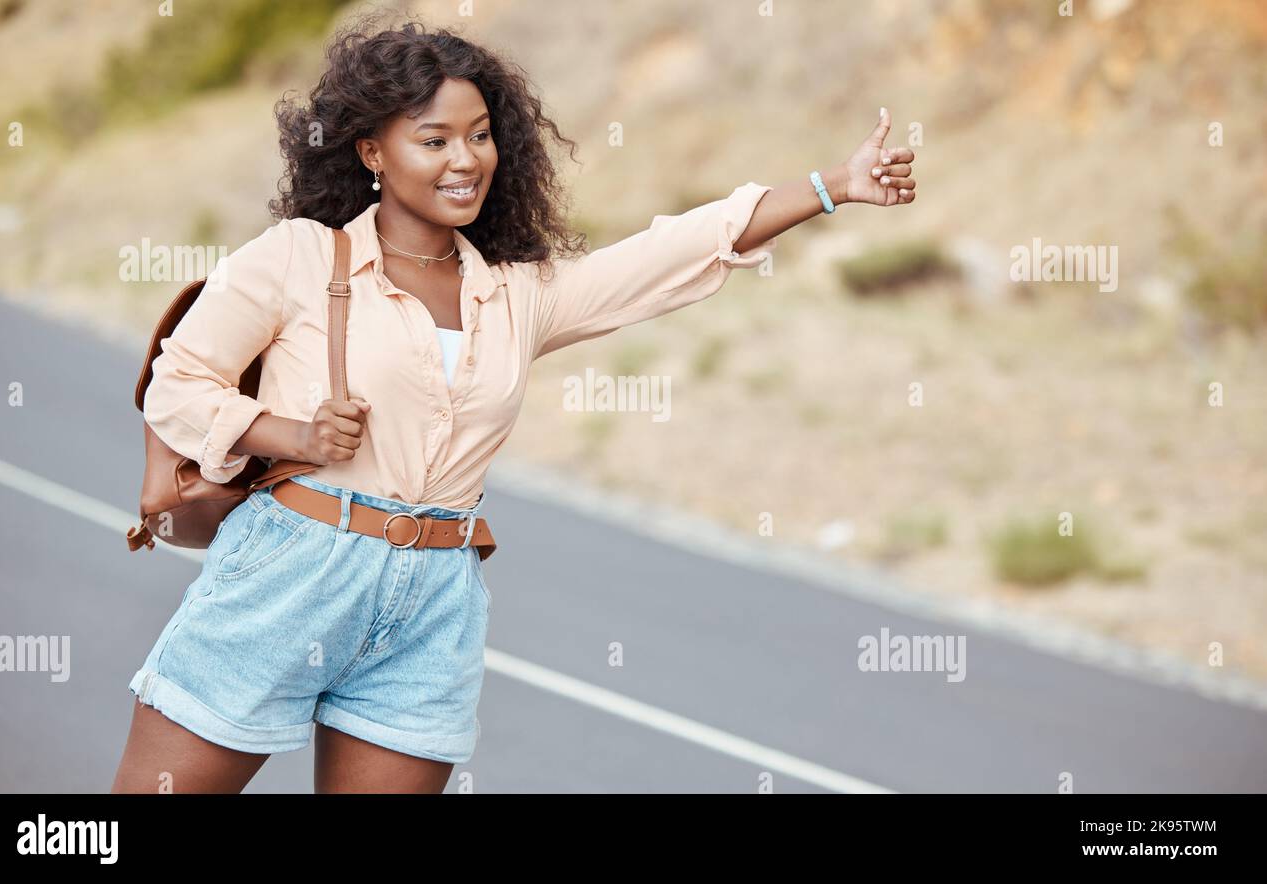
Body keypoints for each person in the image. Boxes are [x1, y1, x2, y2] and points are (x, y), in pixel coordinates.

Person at [110, 15, 917, 794]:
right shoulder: (299, 257)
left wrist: (832, 187)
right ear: (371, 153)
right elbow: (177, 382)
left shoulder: (517, 294)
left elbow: (666, 254)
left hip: (434, 597)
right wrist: (291, 431)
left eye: (480, 134)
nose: (466, 160)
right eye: (433, 140)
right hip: (288, 573)